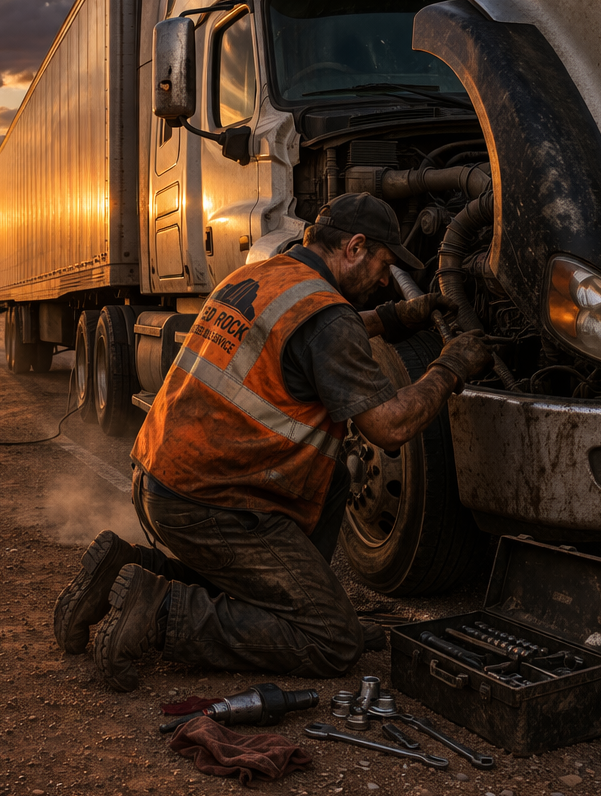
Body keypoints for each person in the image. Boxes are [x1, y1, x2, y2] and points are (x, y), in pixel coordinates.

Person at [52, 193, 493, 691]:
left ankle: (121, 572)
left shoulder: (262, 277)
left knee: (326, 481)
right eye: (383, 264)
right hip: (214, 505)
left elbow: (317, 335)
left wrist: (396, 318)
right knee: (333, 642)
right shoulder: (326, 315)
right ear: (354, 246)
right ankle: (159, 612)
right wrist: (450, 367)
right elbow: (387, 426)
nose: (383, 278)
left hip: (163, 481)